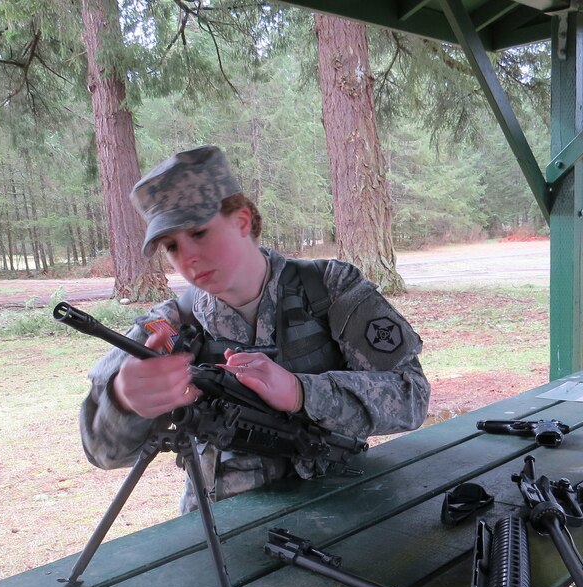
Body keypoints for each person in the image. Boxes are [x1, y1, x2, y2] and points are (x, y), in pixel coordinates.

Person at [79, 145, 431, 511]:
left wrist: (300, 392)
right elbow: (101, 452)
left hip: (341, 505)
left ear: (242, 221)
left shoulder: (328, 289)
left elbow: (411, 398)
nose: (188, 258)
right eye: (171, 246)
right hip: (224, 528)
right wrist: (124, 402)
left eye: (199, 233)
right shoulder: (170, 328)